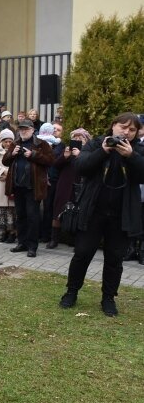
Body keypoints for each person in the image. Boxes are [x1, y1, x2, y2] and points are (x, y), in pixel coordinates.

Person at [59, 113, 144, 316]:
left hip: (121, 214)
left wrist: (131, 156)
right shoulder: (97, 143)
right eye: (123, 127)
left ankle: (108, 298)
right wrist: (104, 151)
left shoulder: (138, 149)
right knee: (82, 253)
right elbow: (80, 166)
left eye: (132, 130)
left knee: (115, 258)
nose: (126, 132)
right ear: (113, 126)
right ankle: (71, 292)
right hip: (93, 211)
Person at [2, 119, 55, 257]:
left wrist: (33, 155)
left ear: (32, 130)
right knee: (21, 216)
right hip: (18, 186)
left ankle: (32, 246)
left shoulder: (41, 144)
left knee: (32, 217)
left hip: (33, 187)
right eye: (21, 129)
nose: (23, 131)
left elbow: (50, 161)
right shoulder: (15, 143)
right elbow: (5, 161)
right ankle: (22, 243)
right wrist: (12, 154)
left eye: (26, 129)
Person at [52, 128, 91, 247]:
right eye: (75, 137)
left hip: (80, 186)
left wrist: (79, 155)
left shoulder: (89, 152)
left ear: (87, 140)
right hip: (64, 185)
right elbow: (56, 165)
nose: (78, 139)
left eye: (81, 137)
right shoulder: (66, 150)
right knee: (58, 211)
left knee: (78, 213)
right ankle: (54, 239)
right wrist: (65, 156)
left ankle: (73, 239)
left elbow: (90, 167)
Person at [0, 129, 17, 243]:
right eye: (6, 141)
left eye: (10, 141)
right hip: (0, 182)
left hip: (11, 183)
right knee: (2, 209)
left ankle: (12, 232)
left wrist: (8, 174)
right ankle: (4, 231)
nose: (8, 143)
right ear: (2, 141)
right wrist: (3, 172)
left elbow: (16, 166)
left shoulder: (15, 151)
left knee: (11, 209)